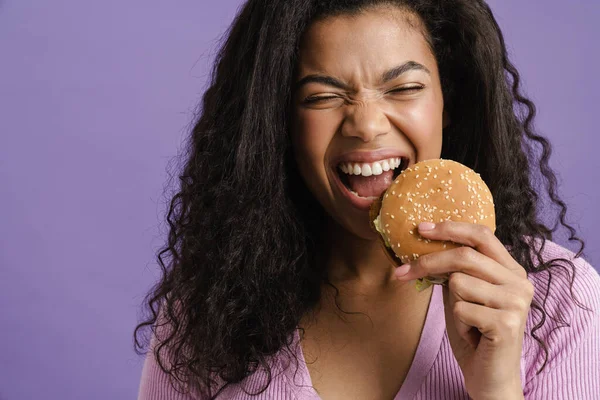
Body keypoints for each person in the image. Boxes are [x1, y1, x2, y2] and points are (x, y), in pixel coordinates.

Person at [134, 0, 600, 399]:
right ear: (279, 124)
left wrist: (497, 387)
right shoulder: (208, 309)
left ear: (450, 103)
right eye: (322, 96)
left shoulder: (559, 304)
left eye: (403, 88)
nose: (367, 125)